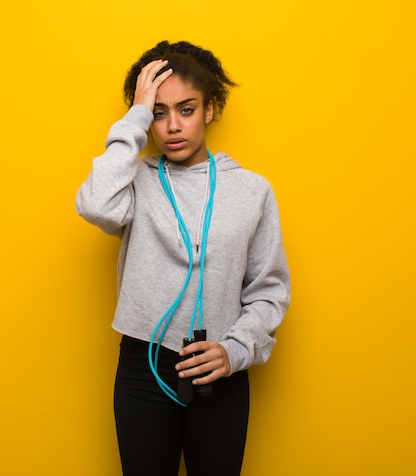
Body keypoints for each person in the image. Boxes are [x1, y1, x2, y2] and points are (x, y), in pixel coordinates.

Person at [75, 40, 290, 476]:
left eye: (187, 110)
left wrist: (235, 350)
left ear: (210, 109)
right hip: (143, 365)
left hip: (220, 370)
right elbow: (96, 204)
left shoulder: (252, 190)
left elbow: (269, 291)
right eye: (159, 113)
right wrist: (135, 115)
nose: (173, 126)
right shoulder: (134, 180)